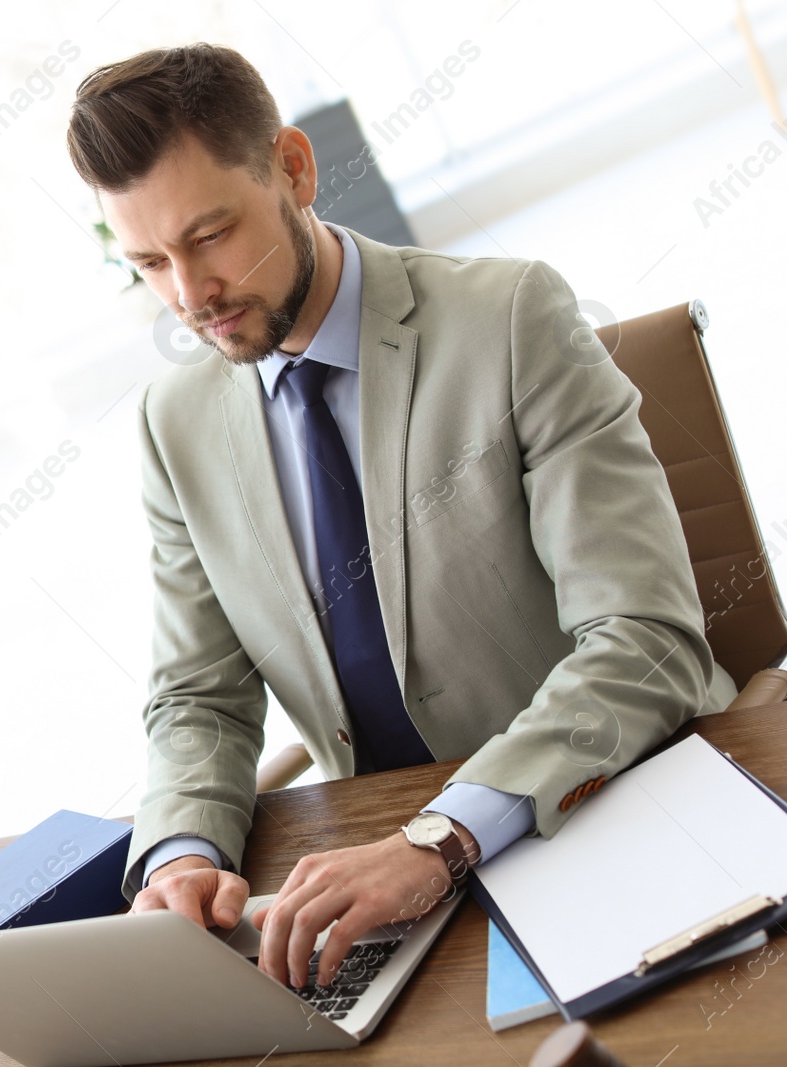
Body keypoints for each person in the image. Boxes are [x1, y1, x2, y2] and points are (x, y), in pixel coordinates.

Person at [63, 43, 736, 991]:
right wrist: (179, 852)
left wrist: (439, 836)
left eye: (211, 235)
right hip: (381, 893)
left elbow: (646, 636)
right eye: (148, 263)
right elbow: (198, 697)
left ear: (294, 169)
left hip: (609, 815)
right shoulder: (174, 424)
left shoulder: (511, 319)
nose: (189, 295)